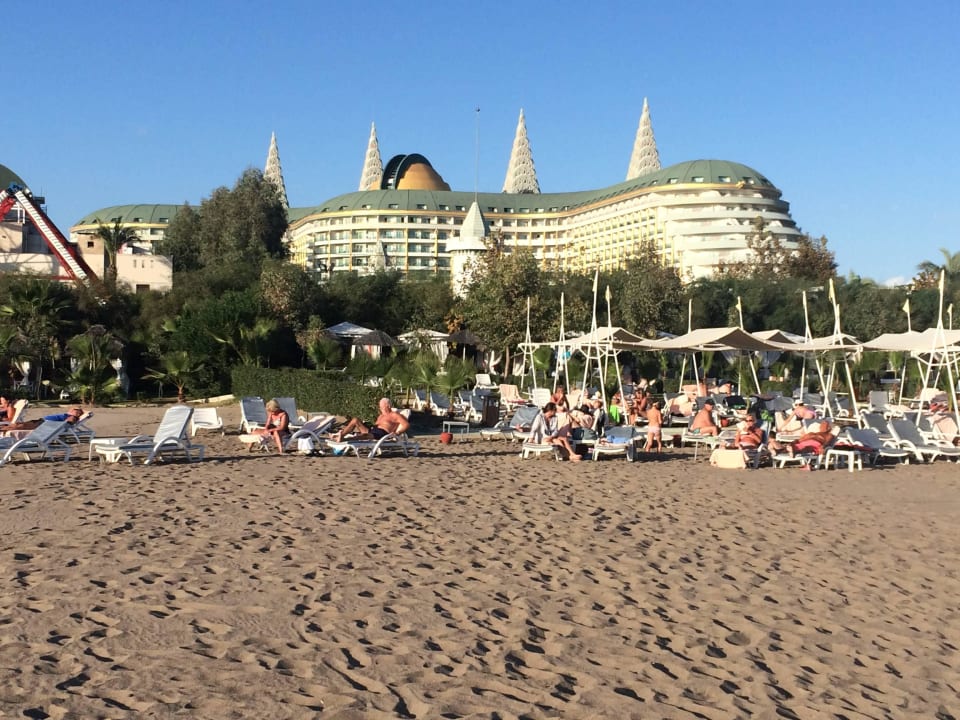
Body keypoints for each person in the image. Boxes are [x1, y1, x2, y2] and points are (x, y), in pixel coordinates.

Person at [332, 397, 410, 442]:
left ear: (388, 406)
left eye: (382, 406)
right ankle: (342, 435)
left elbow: (406, 424)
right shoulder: (381, 416)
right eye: (380, 406)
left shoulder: (395, 415)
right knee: (355, 420)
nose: (380, 408)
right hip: (373, 430)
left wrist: (398, 432)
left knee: (365, 435)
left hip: (382, 433)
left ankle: (345, 439)